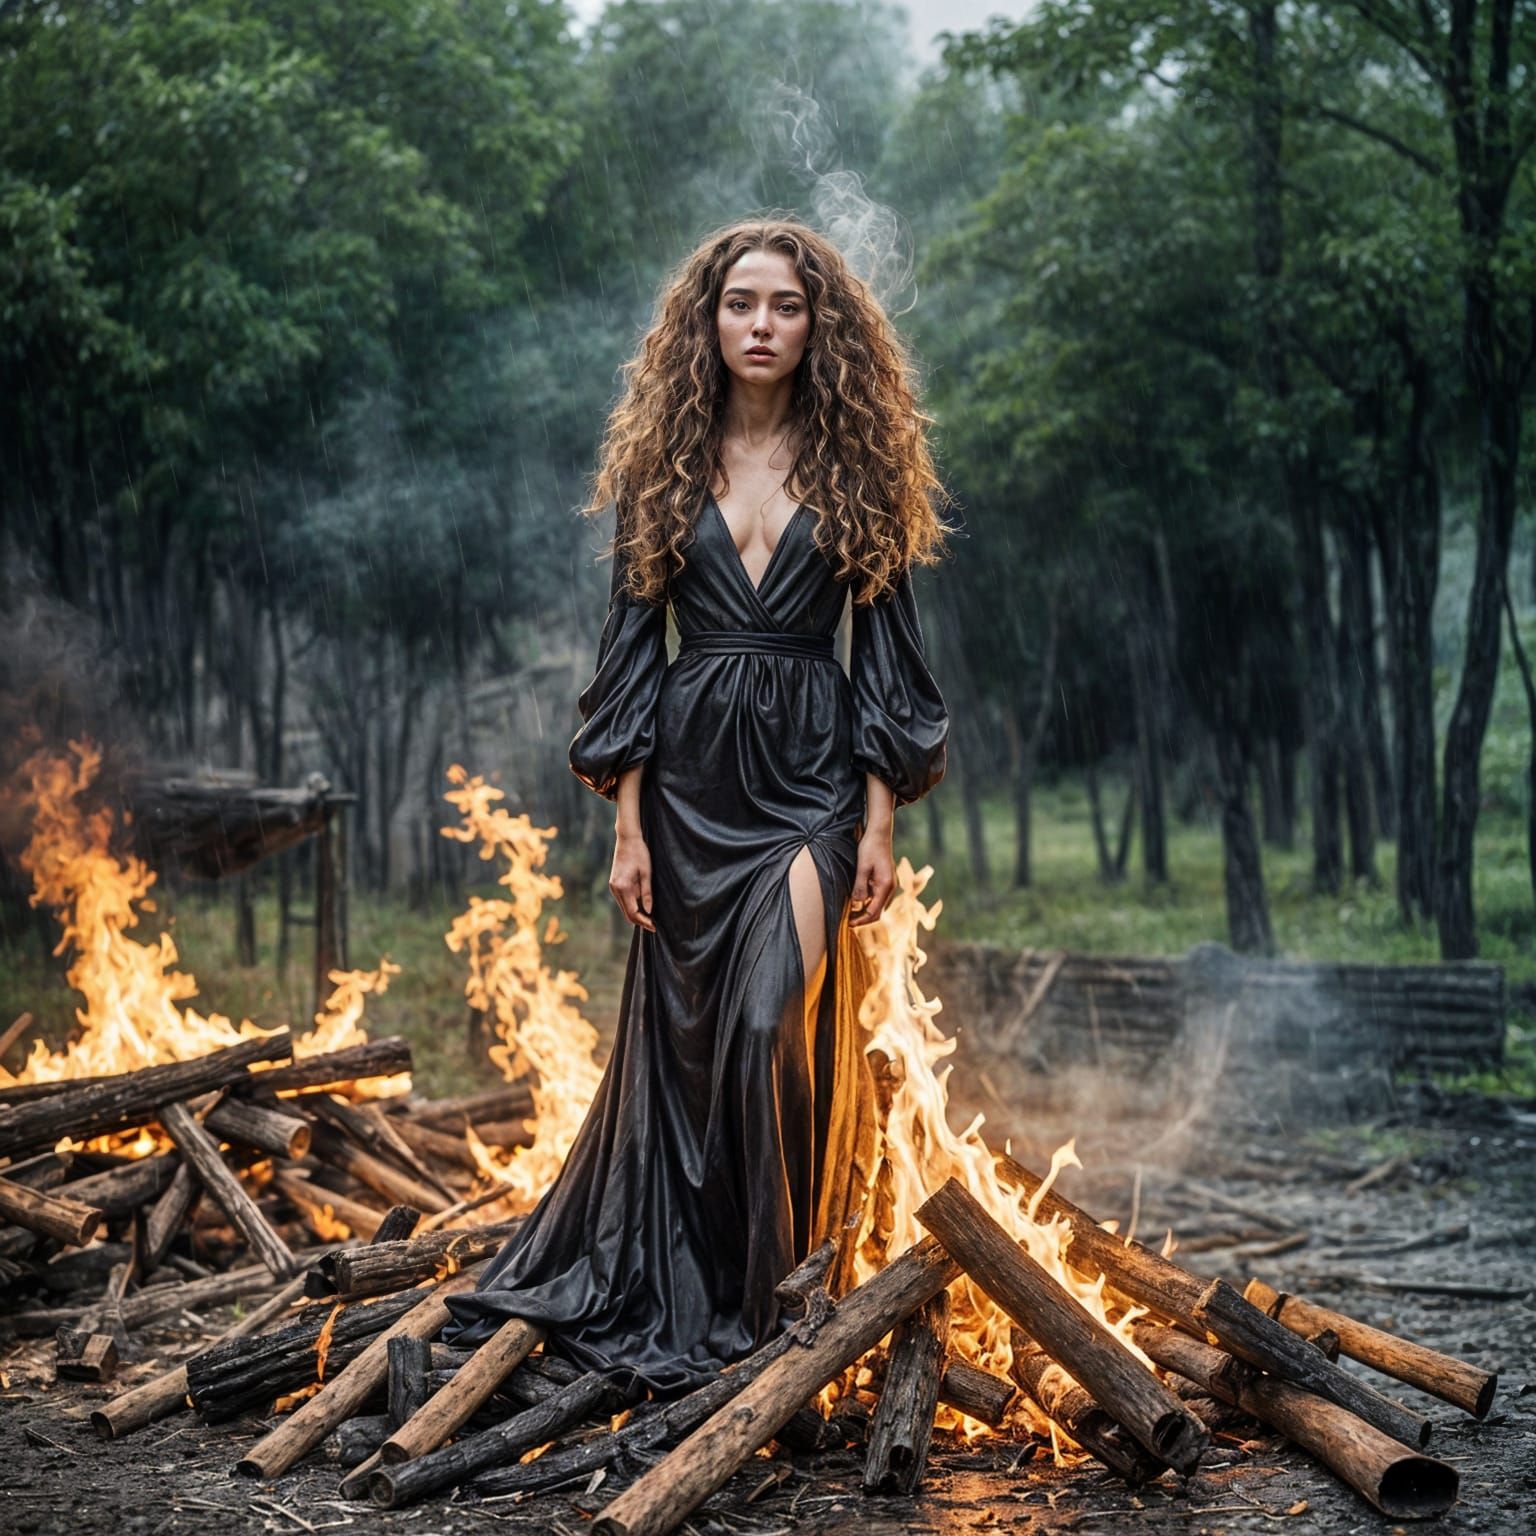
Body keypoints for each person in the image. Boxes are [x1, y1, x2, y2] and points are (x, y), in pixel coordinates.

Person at [441, 218, 951, 1396]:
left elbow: (887, 657)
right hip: (687, 791)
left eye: (784, 305)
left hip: (811, 790)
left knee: (772, 1022)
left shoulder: (859, 466)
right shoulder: (662, 468)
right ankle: (698, 1295)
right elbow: (627, 656)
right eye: (740, 304)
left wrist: (879, 818)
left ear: (820, 323)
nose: (761, 325)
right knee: (685, 1054)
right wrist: (626, 820)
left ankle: (776, 1301)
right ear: (707, 320)